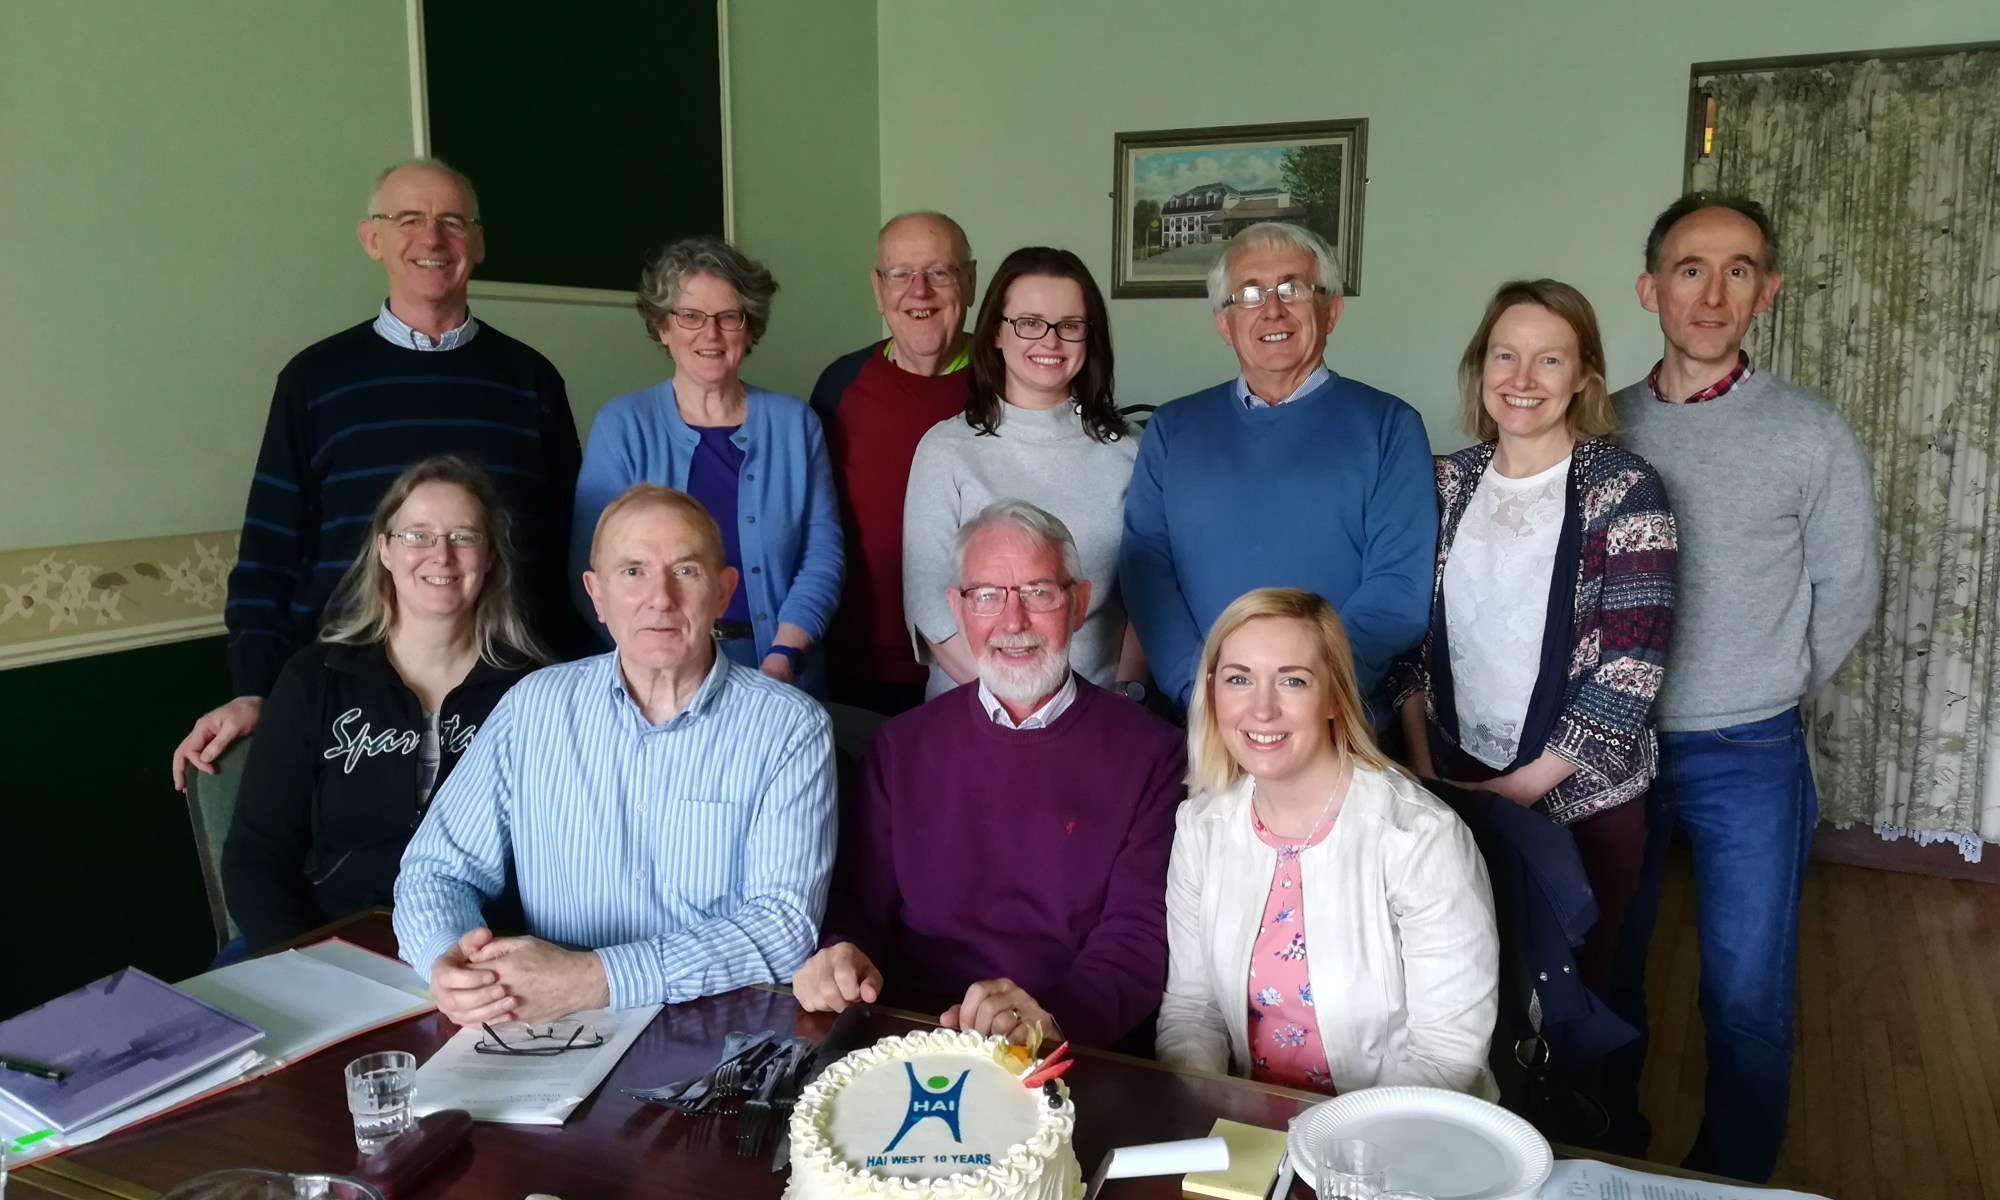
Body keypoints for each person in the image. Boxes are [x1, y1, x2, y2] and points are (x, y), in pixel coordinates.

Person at [1609, 194, 1878, 1182]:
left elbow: (1848, 589)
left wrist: (1769, 682)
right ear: (1650, 290)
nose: (1712, 292)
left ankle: (1729, 1181)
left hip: (1749, 753)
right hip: (1613, 746)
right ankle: (1609, 1154)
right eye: (1690, 268)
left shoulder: (1809, 433)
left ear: (1765, 292)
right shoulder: (1600, 425)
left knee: (1745, 998)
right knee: (1607, 974)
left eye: (1737, 270)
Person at [171, 159, 582, 790]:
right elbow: (268, 556)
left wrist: (585, 681)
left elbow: (567, 556)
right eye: (408, 219)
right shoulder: (314, 382)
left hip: (510, 704)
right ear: (372, 239)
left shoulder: (533, 381)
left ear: (477, 243)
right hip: (345, 709)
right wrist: (255, 688)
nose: (432, 238)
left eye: (452, 222)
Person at [394, 484, 836, 1025]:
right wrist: (451, 960)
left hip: (715, 1031)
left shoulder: (790, 727)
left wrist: (593, 979)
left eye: (685, 570)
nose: (660, 597)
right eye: (632, 571)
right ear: (596, 594)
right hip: (550, 1026)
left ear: (723, 592)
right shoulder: (532, 709)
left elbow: (783, 926)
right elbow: (436, 871)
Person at [794, 501, 1184, 1049]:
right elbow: (858, 910)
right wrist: (840, 956)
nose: (1013, 621)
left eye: (1038, 592)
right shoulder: (898, 748)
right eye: (986, 596)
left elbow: (1138, 938)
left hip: (1069, 1047)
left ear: (1078, 604)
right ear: (958, 610)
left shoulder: (1154, 753)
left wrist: (1050, 1024)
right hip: (912, 1039)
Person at [1388, 280, 1677, 995]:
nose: (1521, 378)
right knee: (1466, 985)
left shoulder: (1625, 489)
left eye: (1549, 359)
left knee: (1583, 999)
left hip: (1586, 799)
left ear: (1584, 375)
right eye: (1504, 355)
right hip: (1452, 775)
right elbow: (1406, 643)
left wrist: (1516, 791)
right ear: (1480, 366)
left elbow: (1631, 669)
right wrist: (1426, 773)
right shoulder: (1444, 484)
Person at [1158, 588, 1499, 1097]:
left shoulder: (1421, 837)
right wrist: (1211, 1119)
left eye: (1292, 680)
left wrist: (1329, 1140)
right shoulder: (1200, 827)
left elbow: (1447, 1057)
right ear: (1212, 693)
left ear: (1336, 697)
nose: (1262, 709)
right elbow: (1192, 1013)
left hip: (1393, 1134)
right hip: (1250, 1129)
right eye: (1238, 679)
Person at [222, 456, 545, 954]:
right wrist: (307, 961)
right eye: (418, 535)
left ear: (489, 557)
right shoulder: (315, 678)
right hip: (324, 942)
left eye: (463, 537)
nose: (441, 555)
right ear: (385, 550)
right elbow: (256, 857)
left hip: (480, 951)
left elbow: (557, 862)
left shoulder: (537, 692)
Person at [1120, 222, 1433, 721]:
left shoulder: (1390, 427)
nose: (1272, 309)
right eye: (1249, 294)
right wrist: (1203, 690)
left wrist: (1303, 694)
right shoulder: (1172, 429)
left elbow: (1396, 591)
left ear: (1332, 310)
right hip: (1198, 720)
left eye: (1293, 289)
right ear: (1224, 324)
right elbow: (1146, 573)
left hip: (1334, 722)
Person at [571, 237, 842, 696]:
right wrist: (655, 662)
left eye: (728, 317)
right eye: (690, 316)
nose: (710, 334)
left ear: (750, 329)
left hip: (780, 673)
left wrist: (784, 656)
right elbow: (592, 567)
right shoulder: (623, 425)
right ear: (662, 327)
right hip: (652, 679)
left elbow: (822, 556)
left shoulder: (795, 424)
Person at [903, 247, 1141, 700]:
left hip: (1100, 709)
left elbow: (1148, 598)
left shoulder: (1131, 450)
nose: (1050, 341)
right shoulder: (945, 449)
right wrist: (1018, 708)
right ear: (996, 331)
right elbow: (928, 600)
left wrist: (1122, 699)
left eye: (1069, 325)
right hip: (974, 710)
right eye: (1030, 323)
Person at [811, 213, 977, 715]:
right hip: (853, 671)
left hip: (976, 671)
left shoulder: (1011, 383)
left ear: (970, 282)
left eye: (939, 272)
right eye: (900, 274)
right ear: (878, 289)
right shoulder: (840, 385)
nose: (918, 291)